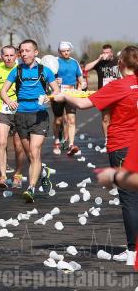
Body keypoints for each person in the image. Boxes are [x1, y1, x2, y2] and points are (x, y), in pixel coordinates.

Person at [55, 45, 138, 265]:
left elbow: (83, 104)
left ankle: (132, 252)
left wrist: (64, 94)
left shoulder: (119, 85)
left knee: (129, 199)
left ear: (121, 63)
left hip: (123, 146)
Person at [1, 39, 59, 203]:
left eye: (28, 50)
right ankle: (43, 172)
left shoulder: (45, 71)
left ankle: (31, 188)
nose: (24, 54)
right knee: (30, 155)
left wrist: (49, 98)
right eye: (22, 51)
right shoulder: (16, 71)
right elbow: (3, 92)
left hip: (39, 116)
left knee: (34, 151)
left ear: (36, 52)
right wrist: (9, 101)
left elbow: (56, 90)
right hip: (21, 116)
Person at [0, 45, 26, 188]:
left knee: (18, 145)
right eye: (6, 55)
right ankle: (3, 176)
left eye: (12, 55)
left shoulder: (21, 69)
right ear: (1, 56)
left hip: (19, 111)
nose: (9, 58)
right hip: (2, 110)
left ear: (16, 56)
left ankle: (17, 173)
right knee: (2, 142)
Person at [51, 41, 84, 156]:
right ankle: (56, 141)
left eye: (67, 50)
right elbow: (48, 77)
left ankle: (71, 144)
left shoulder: (75, 62)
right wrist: (55, 81)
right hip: (58, 94)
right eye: (63, 51)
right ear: (59, 51)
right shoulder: (55, 61)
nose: (66, 53)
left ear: (70, 50)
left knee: (71, 120)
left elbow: (81, 79)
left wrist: (81, 87)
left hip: (71, 94)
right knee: (58, 120)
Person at [84, 44, 120, 143]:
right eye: (104, 53)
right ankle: (107, 140)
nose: (105, 55)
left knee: (116, 118)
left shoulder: (117, 61)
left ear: (111, 53)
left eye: (107, 52)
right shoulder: (100, 62)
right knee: (105, 118)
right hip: (104, 95)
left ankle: (116, 138)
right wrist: (99, 59)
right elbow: (86, 68)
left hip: (117, 94)